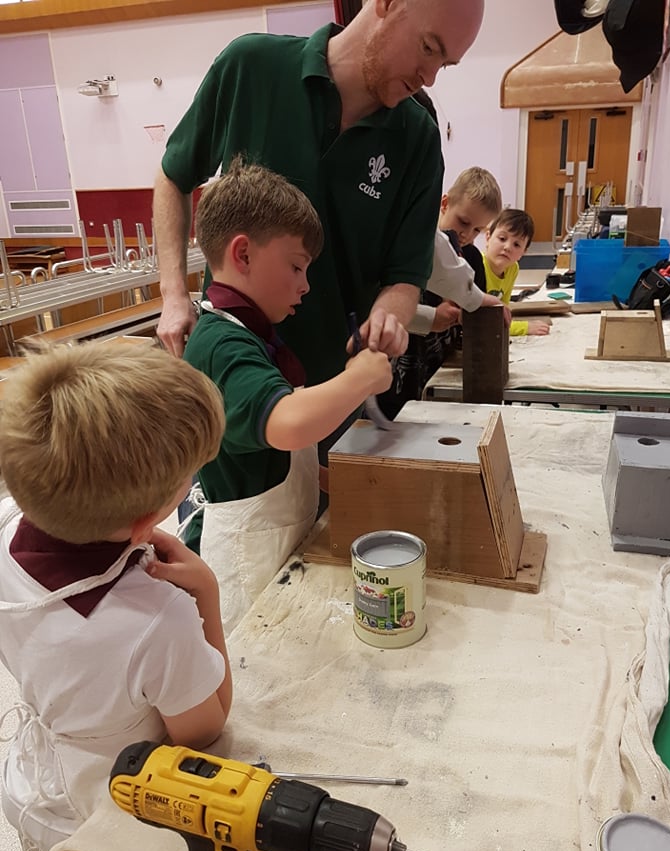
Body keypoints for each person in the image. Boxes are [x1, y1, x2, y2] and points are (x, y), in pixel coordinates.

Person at [154, 0, 486, 396]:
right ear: (386, 4)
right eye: (429, 48)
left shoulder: (419, 140)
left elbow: (406, 275)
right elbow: (173, 177)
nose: (429, 77)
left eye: (445, 64)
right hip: (229, 372)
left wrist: (387, 319)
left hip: (333, 394)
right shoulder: (251, 67)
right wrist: (173, 295)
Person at [0, 342, 232, 851]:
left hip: (27, 789)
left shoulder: (6, 520)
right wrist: (206, 594)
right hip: (105, 807)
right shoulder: (157, 619)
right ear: (146, 519)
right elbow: (203, 730)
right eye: (189, 476)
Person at [181, 159, 392, 628]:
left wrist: (319, 477)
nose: (305, 285)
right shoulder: (221, 342)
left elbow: (255, 453)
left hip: (277, 544)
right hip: (245, 564)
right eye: (296, 266)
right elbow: (288, 423)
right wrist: (363, 376)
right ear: (243, 255)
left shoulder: (252, 332)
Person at [379, 166, 505, 417]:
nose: (467, 234)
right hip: (400, 368)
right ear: (444, 203)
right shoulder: (413, 246)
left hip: (439, 368)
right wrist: (431, 317)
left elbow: (473, 306)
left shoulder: (470, 257)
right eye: (464, 222)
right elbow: (384, 304)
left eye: (477, 230)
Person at [480, 208, 551, 338]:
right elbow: (483, 322)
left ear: (524, 252)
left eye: (517, 245)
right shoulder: (477, 266)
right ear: (488, 237)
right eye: (502, 238)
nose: (507, 247)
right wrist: (524, 327)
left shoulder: (512, 269)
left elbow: (503, 313)